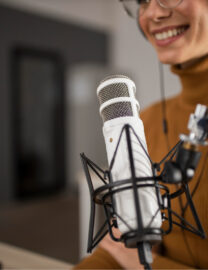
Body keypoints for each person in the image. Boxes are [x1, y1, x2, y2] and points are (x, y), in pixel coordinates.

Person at [75, 0, 208, 268]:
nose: (153, 13)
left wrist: (145, 265)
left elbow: (129, 259)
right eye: (142, 2)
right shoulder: (145, 120)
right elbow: (117, 252)